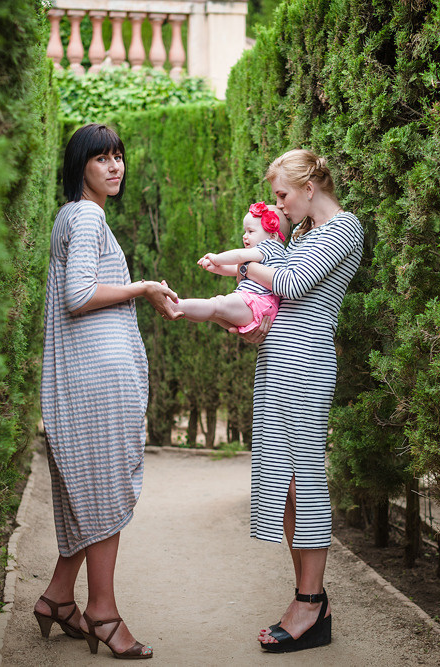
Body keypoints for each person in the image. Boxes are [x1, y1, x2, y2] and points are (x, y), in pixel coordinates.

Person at [34, 123, 178, 660]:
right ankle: (103, 612)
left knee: (89, 491)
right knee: (105, 493)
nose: (115, 167)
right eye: (102, 159)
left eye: (118, 156)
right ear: (81, 167)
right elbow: (79, 296)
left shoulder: (70, 215)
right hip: (97, 379)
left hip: (87, 376)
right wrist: (144, 287)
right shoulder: (88, 216)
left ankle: (56, 598)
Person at [238, 149, 365, 653]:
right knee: (284, 482)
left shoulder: (344, 228)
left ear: (309, 188)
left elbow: (291, 283)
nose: (278, 206)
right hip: (278, 361)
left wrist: (246, 263)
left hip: (307, 364)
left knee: (303, 478)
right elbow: (277, 291)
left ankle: (311, 604)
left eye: (282, 195)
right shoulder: (304, 234)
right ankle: (309, 598)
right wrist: (251, 315)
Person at [168, 202, 288, 331]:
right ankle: (180, 310)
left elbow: (239, 256)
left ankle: (176, 306)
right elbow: (237, 269)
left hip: (258, 303)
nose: (244, 236)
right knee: (213, 311)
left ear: (272, 236)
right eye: (245, 231)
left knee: (216, 305)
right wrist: (217, 268)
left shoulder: (269, 247)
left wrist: (216, 258)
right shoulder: (268, 255)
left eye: (251, 231)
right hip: (259, 306)